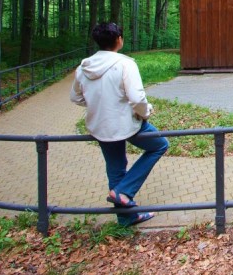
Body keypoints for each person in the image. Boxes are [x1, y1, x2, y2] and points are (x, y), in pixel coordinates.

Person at [70, 22, 168, 226]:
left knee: (115, 169)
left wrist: (99, 103)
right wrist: (146, 112)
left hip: (100, 125)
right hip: (127, 123)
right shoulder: (125, 64)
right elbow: (137, 98)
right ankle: (124, 191)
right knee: (160, 145)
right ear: (119, 40)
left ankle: (126, 218)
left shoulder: (84, 66)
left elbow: (76, 97)